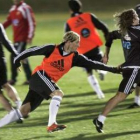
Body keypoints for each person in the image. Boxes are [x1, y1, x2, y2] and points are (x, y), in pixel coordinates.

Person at [0, 31, 120, 133]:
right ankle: (52, 124)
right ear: (68, 42)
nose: (78, 45)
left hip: (44, 83)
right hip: (39, 76)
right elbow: (32, 50)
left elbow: (94, 64)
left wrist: (113, 70)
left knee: (23, 111)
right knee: (58, 93)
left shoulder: (75, 58)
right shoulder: (52, 48)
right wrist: (17, 59)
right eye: (76, 42)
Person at [93, 9, 140, 133]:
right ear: (133, 19)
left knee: (121, 95)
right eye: (136, 16)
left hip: (131, 68)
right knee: (121, 96)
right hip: (134, 70)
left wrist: (106, 55)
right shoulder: (137, 32)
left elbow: (110, 36)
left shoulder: (124, 31)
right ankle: (100, 119)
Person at [65, 0, 109, 99]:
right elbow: (103, 27)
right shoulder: (89, 16)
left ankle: (99, 94)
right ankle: (102, 72)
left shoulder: (69, 23)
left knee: (89, 71)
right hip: (94, 46)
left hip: (81, 50)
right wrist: (107, 37)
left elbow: (67, 39)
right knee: (100, 63)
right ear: (80, 7)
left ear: (70, 10)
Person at [3, 0, 36, 85]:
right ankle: (30, 78)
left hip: (23, 38)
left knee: (15, 56)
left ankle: (14, 79)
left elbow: (31, 22)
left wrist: (30, 36)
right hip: (16, 39)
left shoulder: (25, 8)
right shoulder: (13, 9)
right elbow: (8, 21)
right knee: (22, 57)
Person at [0, 23, 22, 112]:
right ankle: (19, 105)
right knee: (5, 84)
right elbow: (5, 41)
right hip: (0, 60)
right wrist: (16, 54)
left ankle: (14, 114)